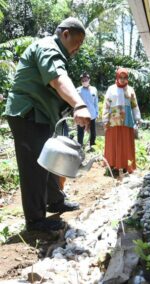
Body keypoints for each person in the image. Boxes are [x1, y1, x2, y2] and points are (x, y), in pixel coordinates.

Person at [4, 17, 91, 232]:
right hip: (27, 114)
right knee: (34, 167)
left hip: (42, 115)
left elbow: (54, 91)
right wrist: (79, 104)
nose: (78, 48)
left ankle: (55, 200)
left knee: (52, 159)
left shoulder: (57, 52)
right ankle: (35, 220)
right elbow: (57, 79)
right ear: (65, 34)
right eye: (77, 42)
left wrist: (69, 109)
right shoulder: (48, 47)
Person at [102, 67, 141, 175]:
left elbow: (134, 106)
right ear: (117, 77)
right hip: (113, 122)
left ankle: (125, 166)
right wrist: (105, 119)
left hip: (127, 121)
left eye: (125, 77)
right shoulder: (111, 89)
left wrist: (137, 118)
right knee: (113, 143)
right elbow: (106, 105)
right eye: (120, 77)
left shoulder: (130, 90)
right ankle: (113, 166)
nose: (122, 79)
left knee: (126, 144)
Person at [77, 72, 98, 149]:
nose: (84, 81)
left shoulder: (94, 89)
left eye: (86, 80)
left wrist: (97, 113)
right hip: (81, 114)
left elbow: (96, 102)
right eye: (83, 80)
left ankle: (92, 146)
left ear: (89, 80)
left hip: (92, 114)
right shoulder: (78, 90)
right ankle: (80, 146)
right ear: (81, 81)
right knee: (80, 131)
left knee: (93, 131)